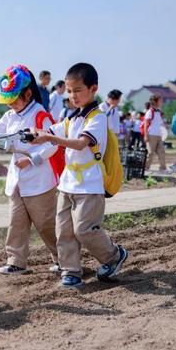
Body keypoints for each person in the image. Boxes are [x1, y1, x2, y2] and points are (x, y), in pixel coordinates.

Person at [31, 62, 128, 289]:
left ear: (93, 88)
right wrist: (36, 133)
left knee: (83, 229)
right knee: (63, 231)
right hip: (67, 184)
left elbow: (80, 143)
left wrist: (49, 139)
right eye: (69, 91)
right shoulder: (72, 118)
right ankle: (71, 271)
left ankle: (113, 255)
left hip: (89, 185)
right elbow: (53, 130)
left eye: (77, 90)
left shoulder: (97, 117)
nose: (72, 96)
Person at [0, 64, 59, 275]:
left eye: (14, 99)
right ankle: (16, 261)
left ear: (27, 93)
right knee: (16, 221)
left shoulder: (40, 115)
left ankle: (63, 259)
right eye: (7, 101)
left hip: (39, 179)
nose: (10, 104)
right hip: (17, 179)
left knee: (46, 224)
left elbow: (53, 144)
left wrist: (32, 159)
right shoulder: (11, 116)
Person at [143, 95, 167, 172]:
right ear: (155, 101)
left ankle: (162, 168)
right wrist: (146, 135)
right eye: (160, 100)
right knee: (150, 153)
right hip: (151, 135)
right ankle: (146, 168)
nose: (162, 102)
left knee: (161, 152)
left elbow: (160, 124)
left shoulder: (159, 112)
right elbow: (146, 124)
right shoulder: (150, 112)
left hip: (159, 135)